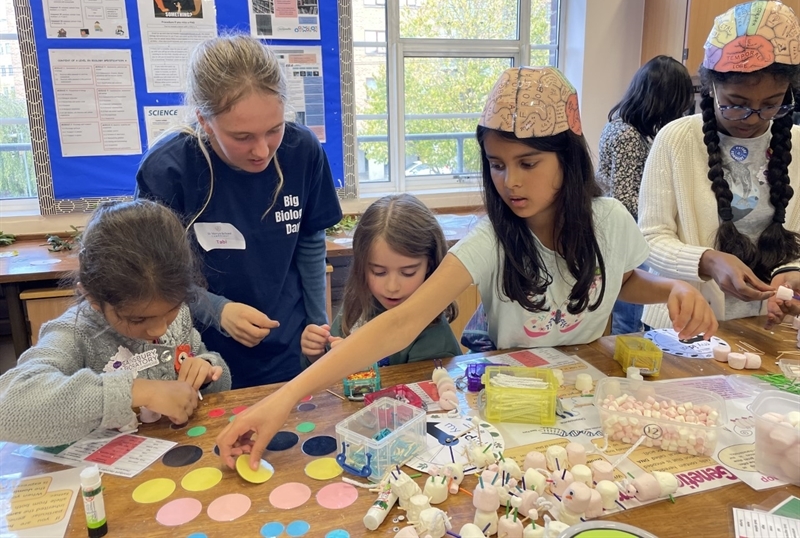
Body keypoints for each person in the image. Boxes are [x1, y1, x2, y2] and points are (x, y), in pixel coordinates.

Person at [217, 66, 717, 469]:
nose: (510, 182)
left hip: (591, 395)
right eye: (497, 165)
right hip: (513, 399)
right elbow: (402, 320)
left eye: (528, 163)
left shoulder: (609, 220)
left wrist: (671, 288)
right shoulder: (494, 238)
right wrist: (285, 398)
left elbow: (624, 280)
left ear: (568, 159)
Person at [136, 34, 342, 389]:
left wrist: (317, 325)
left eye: (274, 130)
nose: (262, 151)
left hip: (287, 349)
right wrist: (217, 311)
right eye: (242, 137)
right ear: (204, 120)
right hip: (200, 358)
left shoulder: (302, 150)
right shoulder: (169, 170)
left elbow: (310, 245)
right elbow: (157, 278)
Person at [0, 200, 231, 447]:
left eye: (171, 310)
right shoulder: (75, 332)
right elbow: (9, 407)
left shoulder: (179, 315)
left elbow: (218, 378)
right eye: (137, 319)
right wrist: (138, 392)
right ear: (93, 298)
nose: (159, 329)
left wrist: (207, 370)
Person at [638, 0, 800, 329]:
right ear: (712, 87)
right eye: (736, 104)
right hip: (682, 327)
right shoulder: (677, 140)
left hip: (766, 332)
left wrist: (791, 274)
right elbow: (649, 239)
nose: (752, 118)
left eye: (771, 104)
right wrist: (708, 261)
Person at [301, 194, 461, 368]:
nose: (392, 287)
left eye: (408, 273)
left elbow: (420, 392)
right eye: (379, 272)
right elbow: (328, 374)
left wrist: (355, 366)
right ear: (362, 266)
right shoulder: (359, 306)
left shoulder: (435, 340)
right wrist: (316, 355)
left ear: (429, 266)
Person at [597, 55, 694, 334]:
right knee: (631, 321)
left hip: (625, 235)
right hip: (626, 237)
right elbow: (625, 200)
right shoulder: (626, 134)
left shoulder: (628, 128)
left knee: (631, 319)